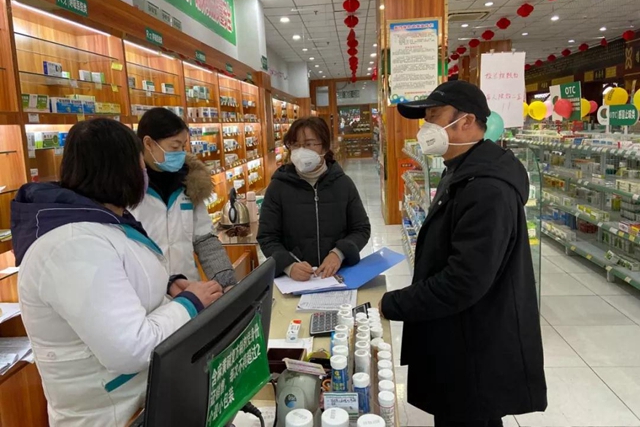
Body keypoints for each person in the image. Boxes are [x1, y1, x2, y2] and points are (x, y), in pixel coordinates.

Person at [12, 119, 223, 426]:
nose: (144, 173)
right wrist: (189, 304)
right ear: (121, 170)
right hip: (111, 414)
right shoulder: (71, 245)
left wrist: (168, 286)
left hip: (142, 399)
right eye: (140, 164)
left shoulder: (102, 221)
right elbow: (130, 348)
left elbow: (118, 283)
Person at [380, 81, 547, 427]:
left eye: (434, 116)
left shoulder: (487, 188)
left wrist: (393, 304)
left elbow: (464, 281)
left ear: (467, 120)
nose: (425, 127)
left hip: (476, 347)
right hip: (461, 336)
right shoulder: (462, 169)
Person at [132, 108, 236, 289]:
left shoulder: (190, 182)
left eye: (183, 146)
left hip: (189, 289)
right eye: (174, 147)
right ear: (148, 143)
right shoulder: (126, 190)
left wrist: (227, 283)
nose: (180, 153)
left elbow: (205, 240)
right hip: (146, 294)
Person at [258, 117, 371, 280]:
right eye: (295, 145)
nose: (301, 151)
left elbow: (361, 229)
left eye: (309, 144)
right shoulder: (278, 187)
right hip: (294, 282)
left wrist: (339, 253)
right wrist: (288, 265)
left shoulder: (343, 184)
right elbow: (267, 236)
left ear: (324, 146)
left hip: (337, 276)